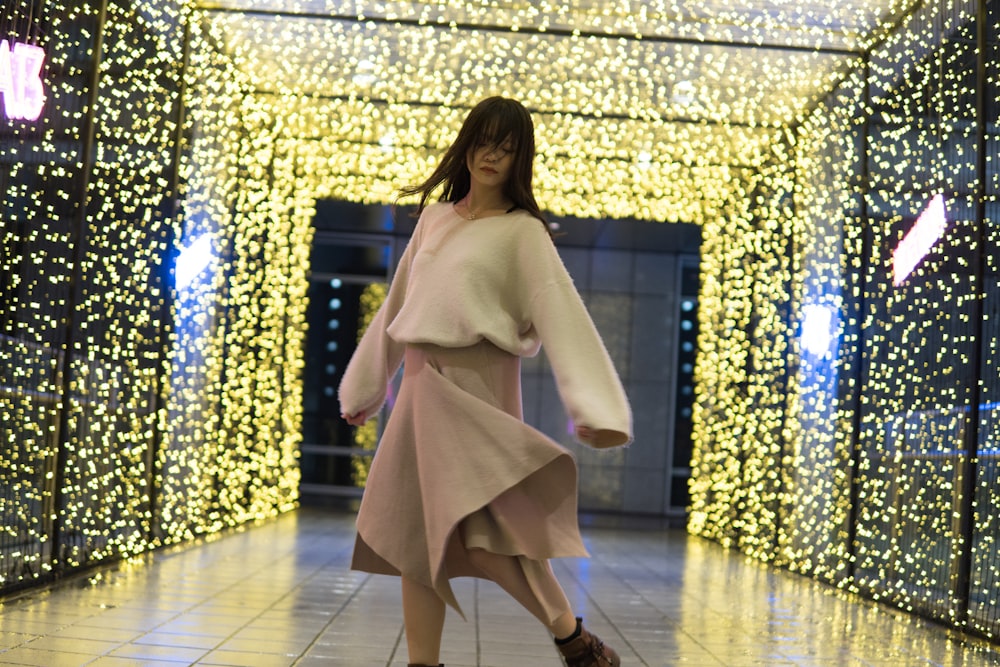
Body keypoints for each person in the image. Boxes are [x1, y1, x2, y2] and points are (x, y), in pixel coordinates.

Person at [339, 96, 632, 667]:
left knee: (492, 529)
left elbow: (561, 313)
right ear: (466, 144)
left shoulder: (523, 233)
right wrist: (366, 388)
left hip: (479, 384)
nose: (491, 154)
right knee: (418, 534)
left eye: (506, 146)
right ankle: (426, 662)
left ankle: (572, 636)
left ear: (520, 157)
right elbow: (399, 308)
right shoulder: (435, 219)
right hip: (422, 387)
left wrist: (597, 410)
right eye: (483, 140)